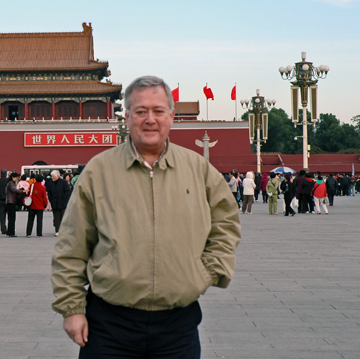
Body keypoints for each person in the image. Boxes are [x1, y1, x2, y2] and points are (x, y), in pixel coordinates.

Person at [51, 76, 241, 358]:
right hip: (109, 324)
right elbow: (71, 246)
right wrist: (72, 309)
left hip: (178, 326)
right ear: (126, 117)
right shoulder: (99, 171)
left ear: (172, 116)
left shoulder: (198, 169)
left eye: (158, 111)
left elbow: (226, 224)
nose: (149, 119)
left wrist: (207, 272)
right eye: (140, 111)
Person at [45, 169, 72, 236]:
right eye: (52, 176)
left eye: (53, 176)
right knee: (56, 218)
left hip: (62, 203)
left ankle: (64, 231)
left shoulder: (63, 182)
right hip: (54, 203)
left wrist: (63, 198)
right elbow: (49, 192)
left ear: (57, 176)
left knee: (63, 217)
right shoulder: (51, 183)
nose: (52, 177)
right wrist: (51, 200)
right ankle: (57, 231)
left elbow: (67, 191)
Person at [5, 173, 21, 237]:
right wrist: (21, 191)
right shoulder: (11, 183)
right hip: (11, 202)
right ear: (13, 177)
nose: (16, 179)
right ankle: (11, 232)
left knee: (10, 218)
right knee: (12, 218)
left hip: (9, 202)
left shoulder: (9, 183)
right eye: (16, 178)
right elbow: (13, 190)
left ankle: (9, 231)